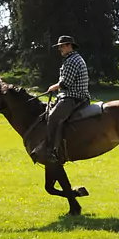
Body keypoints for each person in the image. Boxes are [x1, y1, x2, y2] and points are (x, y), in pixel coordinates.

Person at [40, 35, 90, 163]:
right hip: (71, 95)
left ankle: (51, 150)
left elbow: (66, 83)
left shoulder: (72, 60)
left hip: (74, 97)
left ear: (69, 46)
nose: (60, 49)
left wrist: (53, 87)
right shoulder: (72, 59)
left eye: (62, 46)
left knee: (53, 117)